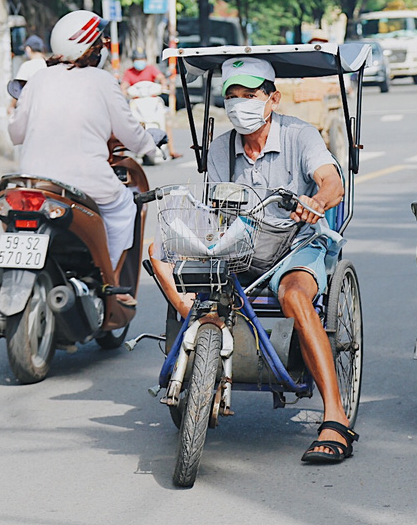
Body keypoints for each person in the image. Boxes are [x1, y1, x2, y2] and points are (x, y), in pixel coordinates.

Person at [149, 56, 358, 464]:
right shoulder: (221, 147)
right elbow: (211, 208)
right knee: (161, 252)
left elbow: (331, 181)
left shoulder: (300, 135)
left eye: (250, 95)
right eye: (233, 96)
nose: (240, 104)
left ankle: (335, 417)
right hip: (239, 243)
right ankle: (197, 331)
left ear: (273, 98)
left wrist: (315, 202)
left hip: (296, 241)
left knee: (295, 296)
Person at [8, 10, 157, 284]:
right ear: (92, 47)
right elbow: (132, 134)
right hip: (86, 183)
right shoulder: (103, 81)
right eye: (100, 43)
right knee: (125, 207)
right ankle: (108, 282)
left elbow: (16, 133)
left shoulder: (39, 79)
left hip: (33, 183)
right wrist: (151, 144)